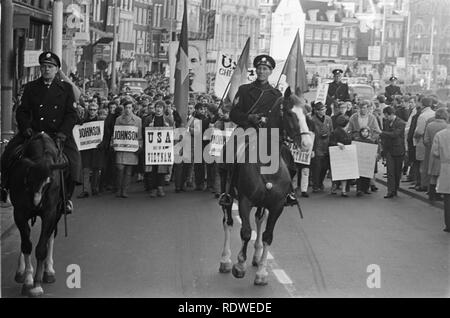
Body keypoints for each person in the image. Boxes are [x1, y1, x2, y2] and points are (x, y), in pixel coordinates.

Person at [0, 51, 81, 213]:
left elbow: (71, 114)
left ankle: (66, 199)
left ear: (57, 69)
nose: (46, 69)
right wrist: (26, 128)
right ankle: (5, 188)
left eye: (50, 67)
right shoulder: (31, 87)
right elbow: (22, 111)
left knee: (73, 161)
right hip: (34, 133)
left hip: (57, 135)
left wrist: (63, 132)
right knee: (9, 153)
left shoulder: (66, 89)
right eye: (43, 66)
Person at [227, 54, 298, 206]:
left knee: (288, 158)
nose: (261, 71)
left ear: (270, 71)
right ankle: (227, 192)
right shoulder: (244, 90)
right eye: (259, 68)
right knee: (230, 155)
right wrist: (250, 117)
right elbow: (233, 113)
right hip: (246, 132)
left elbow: (282, 118)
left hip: (268, 135)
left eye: (265, 69)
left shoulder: (276, 94)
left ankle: (288, 192)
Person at [114, 100, 143, 198]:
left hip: (131, 149)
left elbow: (139, 135)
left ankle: (125, 190)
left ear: (133, 109)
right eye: (126, 107)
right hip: (121, 148)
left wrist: (140, 146)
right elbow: (115, 133)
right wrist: (113, 144)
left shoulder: (138, 120)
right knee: (120, 169)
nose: (127, 109)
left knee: (128, 172)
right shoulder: (118, 119)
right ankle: (118, 189)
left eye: (130, 107)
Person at [144, 101, 172, 197]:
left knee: (162, 168)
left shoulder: (168, 120)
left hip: (163, 148)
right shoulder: (148, 119)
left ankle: (160, 187)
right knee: (152, 169)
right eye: (157, 107)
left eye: (160, 107)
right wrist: (149, 128)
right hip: (151, 148)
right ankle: (153, 188)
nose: (158, 109)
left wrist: (169, 128)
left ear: (164, 109)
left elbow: (173, 133)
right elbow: (144, 132)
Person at [77, 102, 103, 198]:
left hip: (96, 149)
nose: (92, 111)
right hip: (86, 149)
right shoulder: (83, 121)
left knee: (96, 169)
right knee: (86, 169)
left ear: (97, 111)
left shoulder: (100, 122)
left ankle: (95, 188)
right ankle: (85, 190)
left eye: (94, 110)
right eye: (91, 109)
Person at [380, 106, 406, 198]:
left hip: (398, 150)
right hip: (389, 150)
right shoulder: (386, 122)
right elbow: (385, 136)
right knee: (390, 171)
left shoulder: (401, 123)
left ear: (392, 114)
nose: (386, 118)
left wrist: (381, 133)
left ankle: (395, 189)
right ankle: (390, 190)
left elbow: (395, 134)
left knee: (397, 172)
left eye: (387, 116)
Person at [430, 116, 450, 232]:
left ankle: (448, 224)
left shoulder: (440, 134)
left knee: (447, 198)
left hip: (446, 167)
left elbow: (435, 152)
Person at [424, 108, 448, 201]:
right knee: (442, 175)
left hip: (432, 153)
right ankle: (439, 194)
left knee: (433, 175)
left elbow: (425, 140)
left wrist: (430, 146)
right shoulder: (446, 127)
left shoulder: (430, 125)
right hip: (444, 155)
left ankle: (431, 194)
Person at [311, 102, 333, 193]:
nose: (324, 111)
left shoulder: (328, 119)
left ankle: (320, 182)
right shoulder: (312, 120)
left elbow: (331, 131)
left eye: (324, 109)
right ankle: (315, 185)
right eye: (322, 109)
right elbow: (310, 134)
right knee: (317, 167)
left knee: (324, 167)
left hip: (326, 145)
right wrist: (312, 149)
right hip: (317, 145)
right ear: (317, 111)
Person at [329, 114, 352, 197]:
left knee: (344, 172)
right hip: (338, 154)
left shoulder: (347, 131)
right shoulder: (336, 132)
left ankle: (343, 189)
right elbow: (331, 142)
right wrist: (337, 143)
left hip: (346, 153)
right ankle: (338, 188)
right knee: (338, 171)